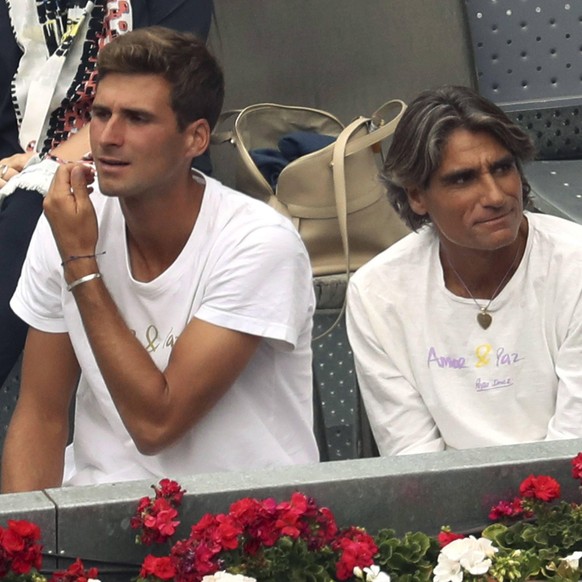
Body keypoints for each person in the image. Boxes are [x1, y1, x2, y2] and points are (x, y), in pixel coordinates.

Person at [1, 26, 319, 492]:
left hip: (243, 527)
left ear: (195, 138)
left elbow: (158, 424)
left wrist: (81, 264)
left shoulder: (258, 241)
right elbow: (41, 417)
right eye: (101, 113)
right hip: (98, 515)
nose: (108, 137)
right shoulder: (68, 222)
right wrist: (21, 553)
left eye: (137, 118)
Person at [346, 84, 582, 455]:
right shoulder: (378, 292)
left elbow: (574, 447)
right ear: (416, 195)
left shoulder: (575, 263)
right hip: (448, 506)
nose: (495, 196)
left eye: (503, 168)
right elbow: (412, 455)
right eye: (463, 178)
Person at [0, 0, 214, 388]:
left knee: (32, 210)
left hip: (134, 161)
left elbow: (154, 100)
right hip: (14, 168)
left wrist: (36, 169)